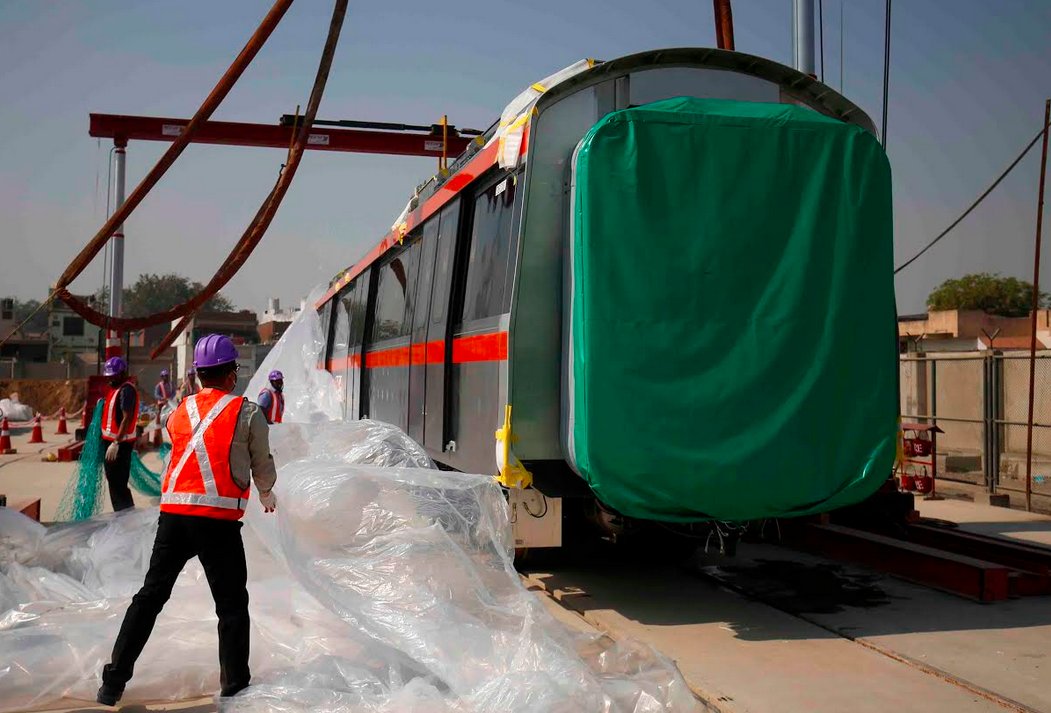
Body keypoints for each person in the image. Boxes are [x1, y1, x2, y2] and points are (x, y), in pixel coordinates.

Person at [96, 334, 278, 706]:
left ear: (197, 376)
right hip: (217, 522)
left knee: (149, 598)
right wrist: (266, 491)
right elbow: (261, 461)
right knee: (230, 607)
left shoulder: (181, 411)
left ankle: (112, 683)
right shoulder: (247, 412)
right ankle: (235, 688)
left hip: (174, 516)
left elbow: (183, 442)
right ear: (231, 374)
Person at [100, 356, 140, 512]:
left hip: (119, 446)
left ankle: (125, 517)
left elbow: (127, 418)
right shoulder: (116, 389)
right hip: (112, 443)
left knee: (118, 485)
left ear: (122, 374)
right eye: (108, 376)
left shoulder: (126, 390)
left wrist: (116, 443)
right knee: (115, 484)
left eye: (113, 376)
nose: (110, 380)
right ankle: (123, 515)